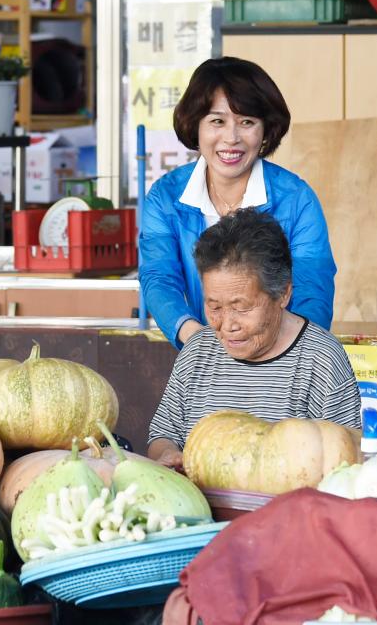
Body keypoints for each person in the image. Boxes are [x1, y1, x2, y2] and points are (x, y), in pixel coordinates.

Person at [140, 57, 336, 348]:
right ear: (196, 126)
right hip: (200, 354)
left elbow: (313, 291)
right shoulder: (165, 197)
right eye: (217, 121)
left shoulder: (297, 199)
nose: (231, 138)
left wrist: (283, 353)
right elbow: (158, 278)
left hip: (282, 359)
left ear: (265, 130)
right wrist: (196, 339)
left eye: (246, 122)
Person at [147, 208, 362, 467]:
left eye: (242, 307)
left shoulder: (320, 359)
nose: (227, 325)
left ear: (282, 294)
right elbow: (162, 435)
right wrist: (169, 456)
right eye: (214, 307)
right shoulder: (197, 351)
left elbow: (344, 460)